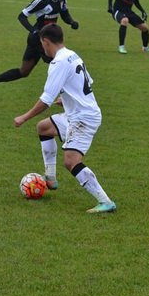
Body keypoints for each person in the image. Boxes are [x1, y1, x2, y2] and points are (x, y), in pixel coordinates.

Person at [13, 24, 116, 214]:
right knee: (44, 128)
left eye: (42, 44)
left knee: (71, 161)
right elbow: (87, 83)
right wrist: (66, 98)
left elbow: (45, 100)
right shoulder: (72, 54)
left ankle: (105, 201)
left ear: (46, 42)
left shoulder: (57, 63)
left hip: (83, 118)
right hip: (78, 113)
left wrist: (24, 117)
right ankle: (50, 178)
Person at [0, 0, 79, 102]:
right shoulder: (40, 1)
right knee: (58, 63)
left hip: (48, 40)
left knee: (24, 72)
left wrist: (72, 22)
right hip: (38, 40)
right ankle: (66, 97)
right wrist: (33, 31)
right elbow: (22, 16)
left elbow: (65, 14)